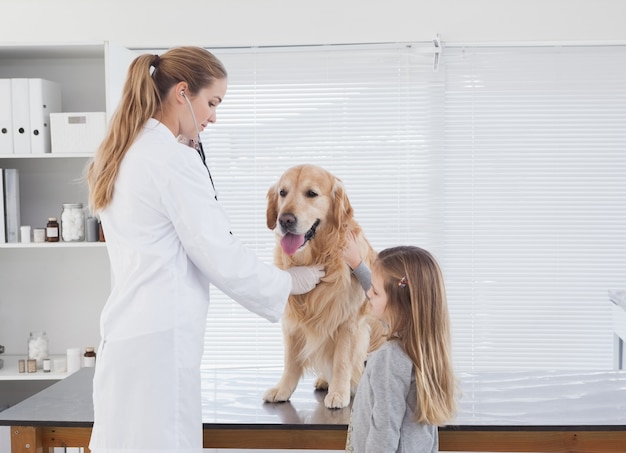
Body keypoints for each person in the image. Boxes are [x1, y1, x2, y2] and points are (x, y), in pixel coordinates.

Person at [86, 46, 325, 453]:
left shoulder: (125, 152)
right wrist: (287, 281)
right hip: (160, 345)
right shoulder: (173, 160)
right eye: (211, 102)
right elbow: (220, 256)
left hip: (125, 338)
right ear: (183, 93)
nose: (214, 115)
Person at [343, 237, 457, 452]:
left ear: (399, 305)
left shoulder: (389, 358)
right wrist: (358, 264)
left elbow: (383, 433)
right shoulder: (423, 349)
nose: (368, 294)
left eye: (375, 292)